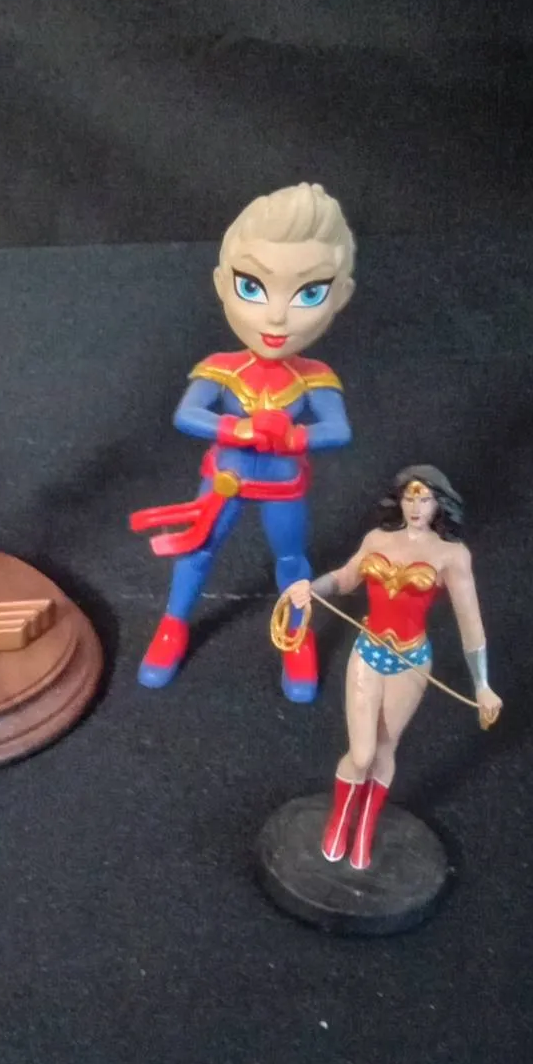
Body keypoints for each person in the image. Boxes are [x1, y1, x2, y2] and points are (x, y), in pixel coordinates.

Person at [130, 182, 355, 702]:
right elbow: (187, 415)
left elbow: (338, 429)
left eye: (309, 293)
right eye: (253, 287)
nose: (276, 317)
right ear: (222, 283)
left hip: (283, 487)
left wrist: (294, 435)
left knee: (292, 561)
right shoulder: (223, 369)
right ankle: (172, 626)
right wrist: (240, 430)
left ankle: (295, 635)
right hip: (225, 480)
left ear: (340, 295)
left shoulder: (313, 376)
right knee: (197, 551)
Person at [282, 466, 502, 869]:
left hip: (411, 662)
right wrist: (310, 589)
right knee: (362, 752)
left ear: (438, 504)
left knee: (385, 749)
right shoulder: (376, 539)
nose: (416, 507)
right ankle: (339, 819)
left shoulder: (452, 555)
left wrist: (482, 685)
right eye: (409, 497)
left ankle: (365, 827)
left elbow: (470, 623)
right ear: (399, 500)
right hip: (368, 653)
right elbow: (346, 578)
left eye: (425, 498)